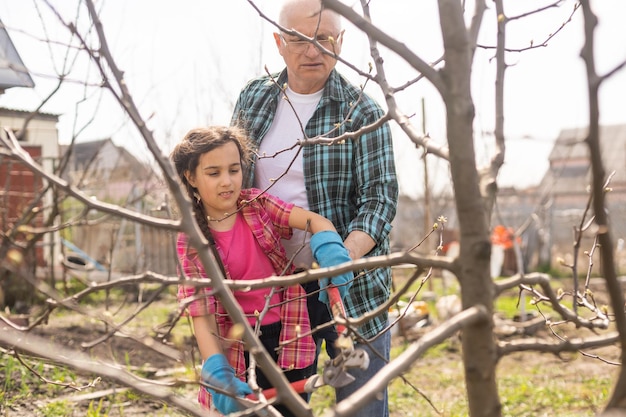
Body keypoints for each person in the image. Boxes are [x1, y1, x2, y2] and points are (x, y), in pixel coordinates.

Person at [231, 0, 399, 415]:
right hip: (277, 289)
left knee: (362, 404)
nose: (312, 51)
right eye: (299, 39)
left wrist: (342, 257)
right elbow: (232, 181)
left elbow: (380, 198)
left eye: (324, 39)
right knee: (280, 407)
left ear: (340, 42)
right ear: (279, 42)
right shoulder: (254, 99)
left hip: (352, 290)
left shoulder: (363, 112)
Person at [171, 126, 354, 416]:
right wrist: (217, 373)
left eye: (234, 170)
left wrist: (329, 246)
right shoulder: (192, 241)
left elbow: (315, 222)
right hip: (239, 350)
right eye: (213, 173)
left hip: (289, 337)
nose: (227, 182)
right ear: (190, 177)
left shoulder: (257, 205)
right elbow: (201, 315)